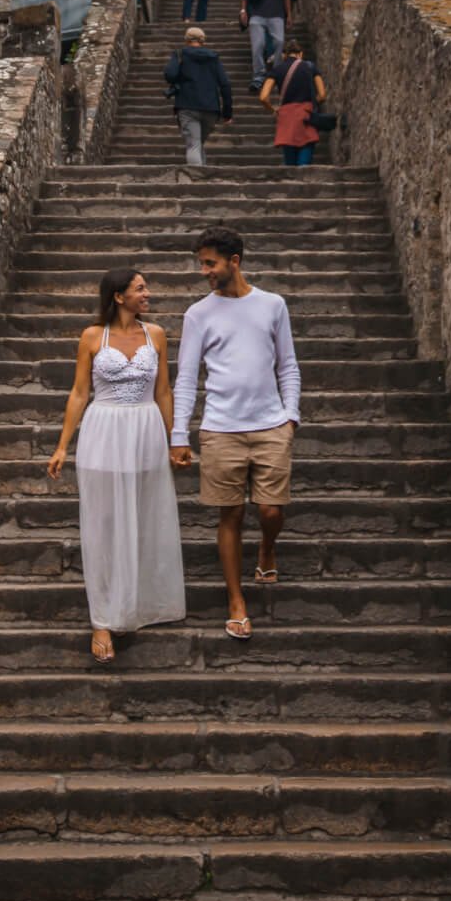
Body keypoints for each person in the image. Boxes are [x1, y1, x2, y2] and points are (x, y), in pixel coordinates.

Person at [47, 266, 185, 663]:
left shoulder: (155, 334)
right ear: (119, 296)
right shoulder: (93, 336)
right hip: (103, 429)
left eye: (146, 287)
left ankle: (138, 602)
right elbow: (78, 392)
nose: (148, 293)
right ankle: (102, 618)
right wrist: (61, 446)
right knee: (103, 521)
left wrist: (175, 440)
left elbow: (163, 392)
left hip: (145, 430)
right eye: (140, 288)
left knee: (143, 515)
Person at [169, 226, 301, 641]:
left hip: (270, 425)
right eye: (202, 264)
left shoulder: (272, 305)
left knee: (270, 511)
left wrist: (290, 416)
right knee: (230, 513)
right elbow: (187, 378)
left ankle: (266, 547)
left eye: (210, 263)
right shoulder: (198, 313)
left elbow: (288, 366)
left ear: (235, 262)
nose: (205, 271)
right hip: (221, 428)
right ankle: (236, 601)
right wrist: (179, 434)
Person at [164, 24, 233, 167]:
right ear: (203, 41)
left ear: (186, 40)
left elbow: (170, 75)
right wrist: (228, 112)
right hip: (211, 109)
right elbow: (225, 84)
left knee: (193, 144)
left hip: (187, 105)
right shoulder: (213, 58)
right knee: (198, 142)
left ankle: (196, 181)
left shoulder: (180, 54)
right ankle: (202, 174)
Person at [260, 36, 326, 167]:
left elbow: (263, 97)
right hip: (306, 114)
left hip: (286, 117)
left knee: (289, 164)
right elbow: (323, 95)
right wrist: (313, 103)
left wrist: (273, 110)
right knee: (304, 162)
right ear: (300, 54)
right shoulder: (310, 67)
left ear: (284, 55)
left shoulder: (277, 70)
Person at [240, 0, 293, 90]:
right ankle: (258, 75)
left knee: (279, 43)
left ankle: (276, 74)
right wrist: (243, 10)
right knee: (258, 46)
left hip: (276, 14)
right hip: (257, 13)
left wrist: (289, 15)